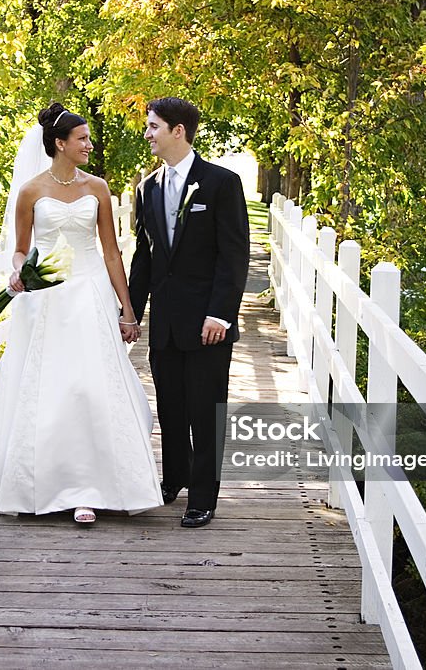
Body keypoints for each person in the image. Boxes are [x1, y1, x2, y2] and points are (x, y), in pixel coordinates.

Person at [0, 103, 163, 524]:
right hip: (49, 298)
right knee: (50, 387)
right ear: (60, 144)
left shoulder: (97, 188)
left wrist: (127, 310)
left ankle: (91, 490)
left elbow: (111, 253)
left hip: (90, 292)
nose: (89, 145)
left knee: (91, 386)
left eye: (88, 139)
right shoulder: (30, 191)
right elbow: (20, 249)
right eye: (82, 139)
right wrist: (21, 271)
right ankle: (38, 486)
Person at [128, 97, 250, 528]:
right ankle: (174, 478)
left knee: (205, 410)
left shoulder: (221, 183)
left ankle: (203, 497)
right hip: (165, 321)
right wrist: (132, 312)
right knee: (171, 408)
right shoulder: (147, 188)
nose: (147, 134)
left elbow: (234, 256)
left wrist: (220, 314)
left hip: (207, 322)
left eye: (153, 126)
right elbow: (144, 257)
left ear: (178, 130)